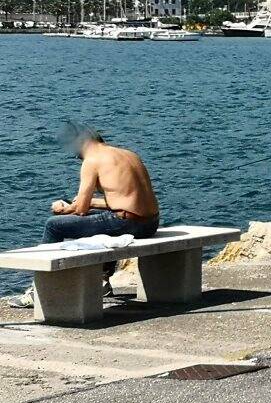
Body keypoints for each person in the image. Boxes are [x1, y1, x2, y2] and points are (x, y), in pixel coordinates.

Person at [8, 124, 160, 308]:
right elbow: (125, 199)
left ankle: (39, 290)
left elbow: (80, 209)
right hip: (150, 222)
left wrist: (61, 208)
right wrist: (92, 203)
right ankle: (102, 280)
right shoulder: (128, 154)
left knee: (54, 225)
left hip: (128, 223)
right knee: (97, 222)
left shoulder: (92, 160)